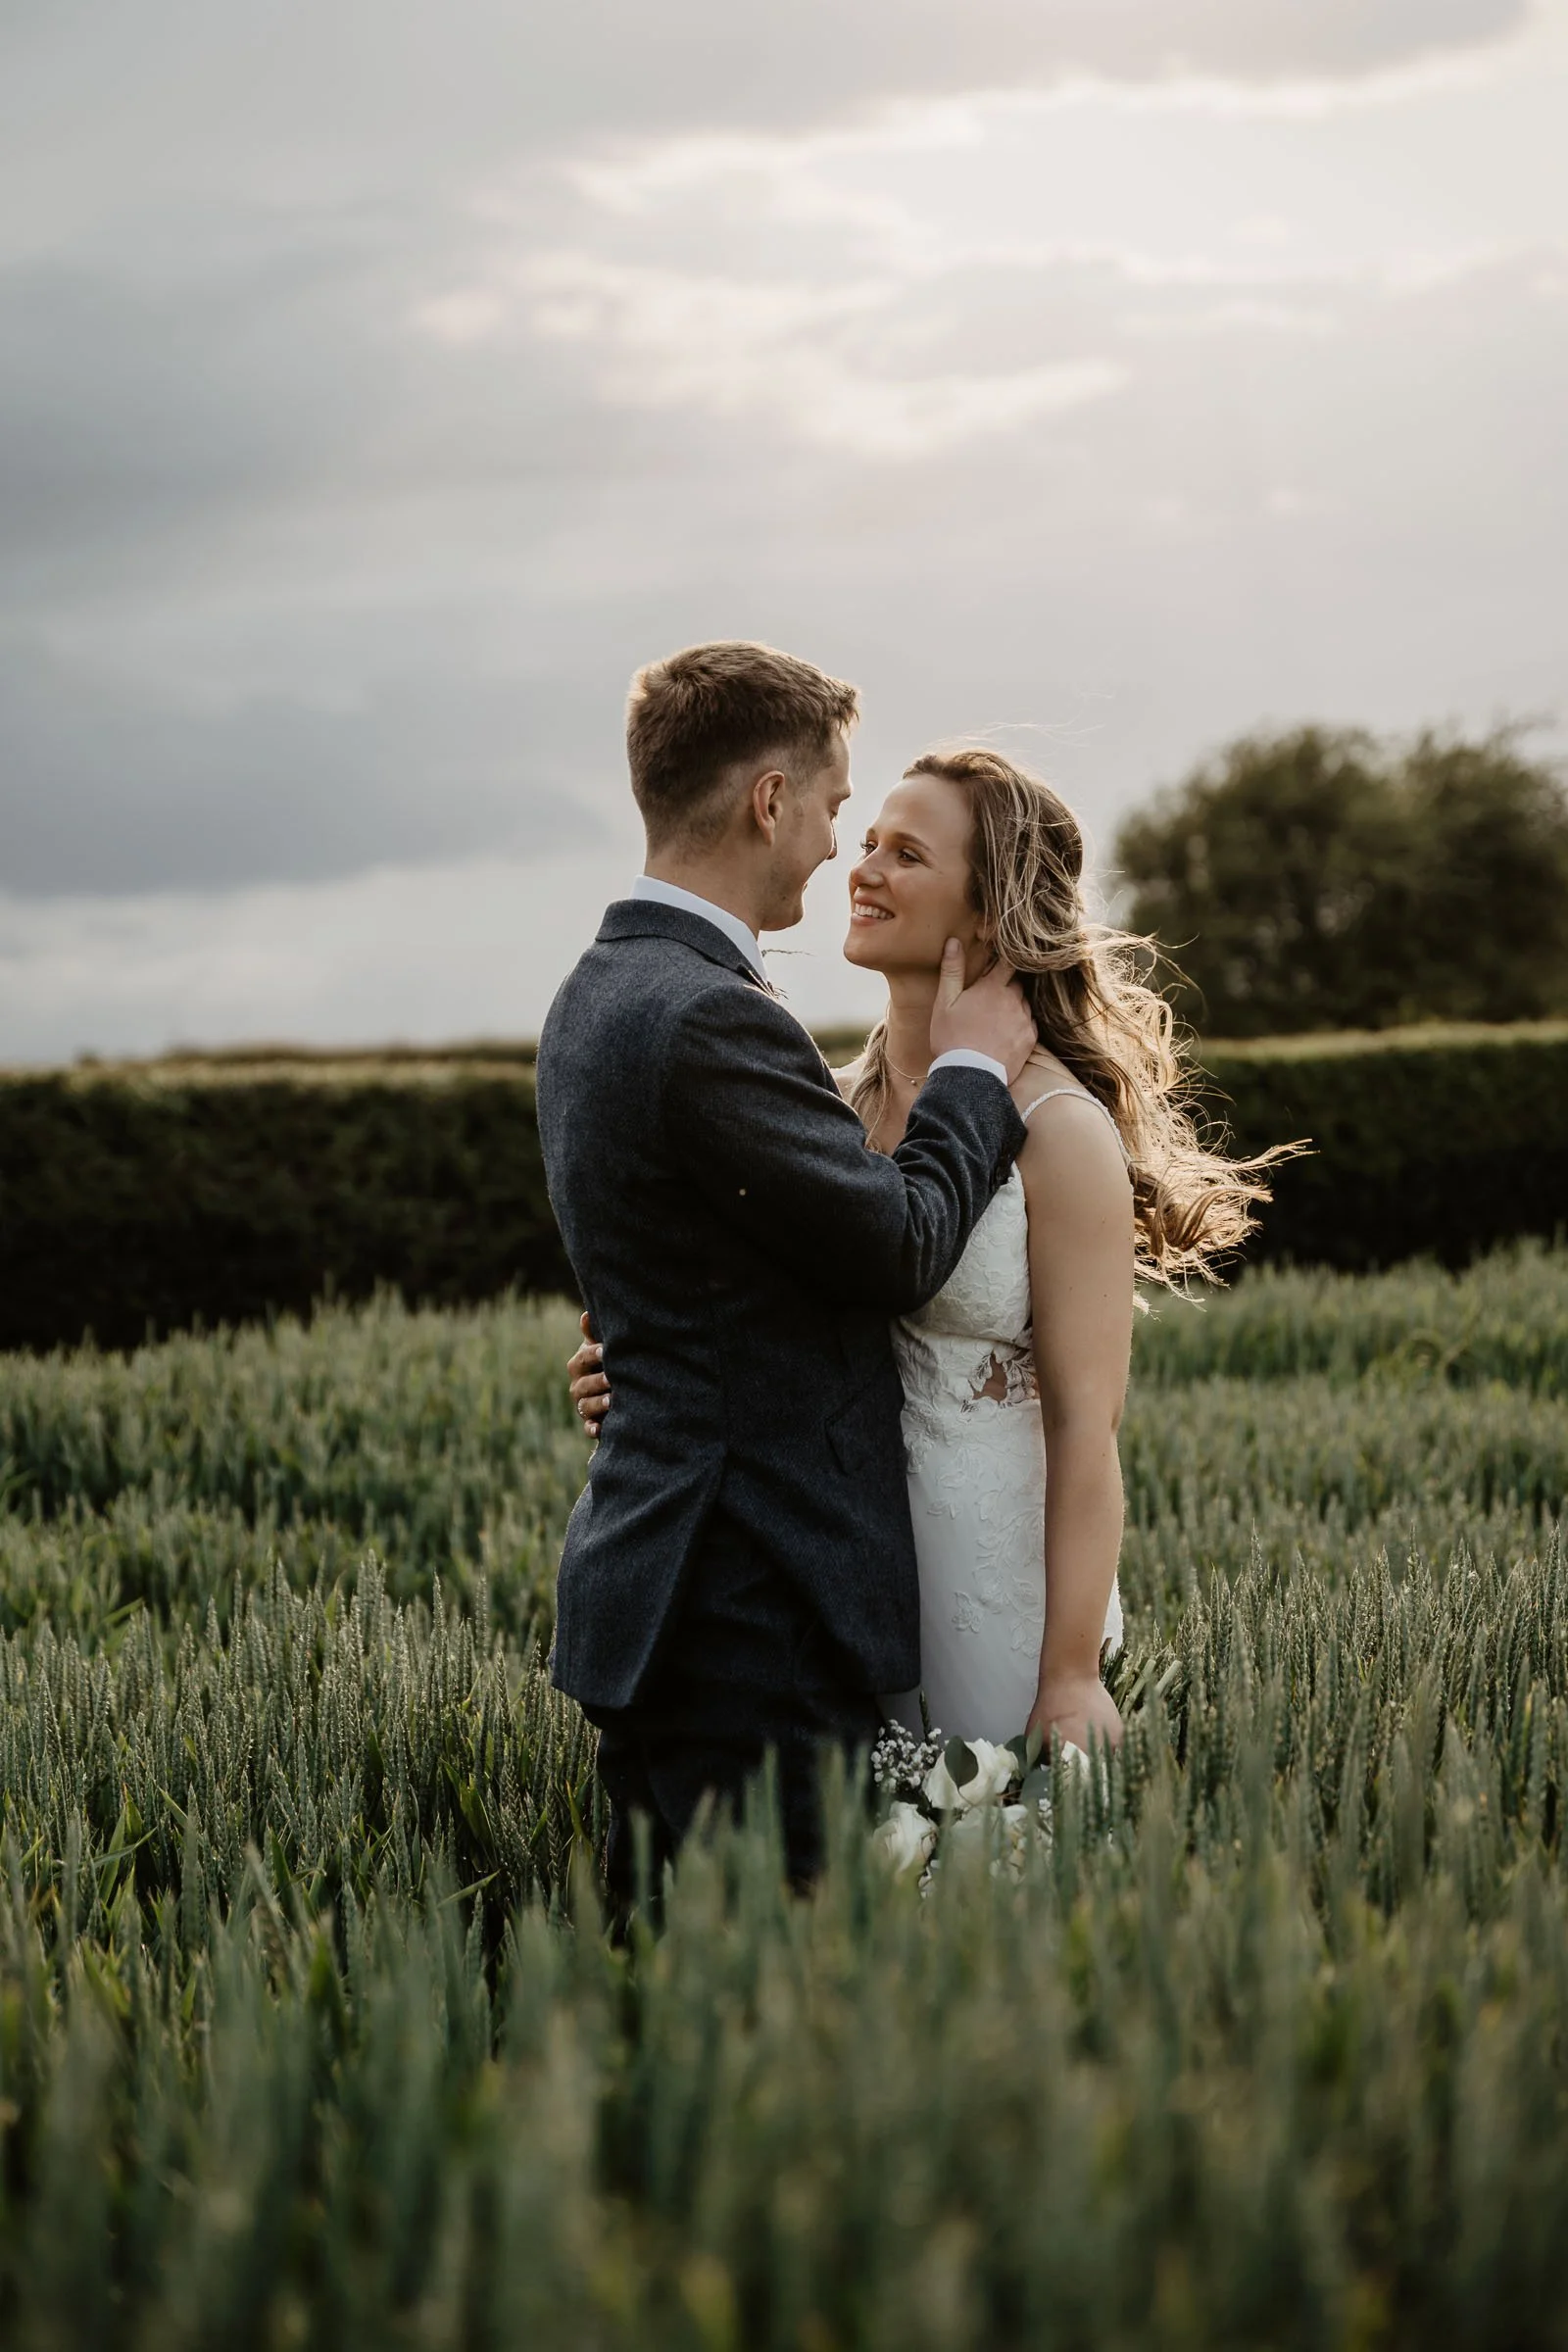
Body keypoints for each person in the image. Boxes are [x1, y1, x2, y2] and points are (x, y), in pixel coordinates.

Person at [570, 745, 1287, 1760]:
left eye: (905, 854)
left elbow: (1090, 1429)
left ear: (987, 910)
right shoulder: (818, 1103)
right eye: (865, 842)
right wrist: (636, 1373)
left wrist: (1071, 1673)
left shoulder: (1057, 1130)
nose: (861, 869)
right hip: (816, 1587)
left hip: (984, 1590)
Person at [535, 645, 1039, 1904]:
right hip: (746, 1612)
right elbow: (903, 1244)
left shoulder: (596, 992)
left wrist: (649, 1365)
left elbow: (691, 1270)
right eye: (829, 807)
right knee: (769, 2012)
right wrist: (975, 1071)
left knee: (690, 1999)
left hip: (685, 1599)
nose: (834, 847)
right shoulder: (705, 1012)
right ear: (769, 801)